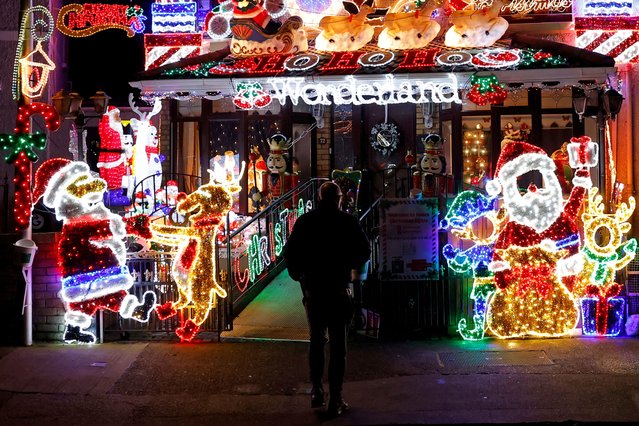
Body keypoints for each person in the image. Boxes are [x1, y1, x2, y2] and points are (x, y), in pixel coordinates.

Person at [284, 181, 370, 417]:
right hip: (338, 288)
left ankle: (316, 389)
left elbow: (289, 253)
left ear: (320, 197)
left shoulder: (305, 222)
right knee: (338, 345)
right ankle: (336, 397)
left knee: (316, 340)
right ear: (339, 198)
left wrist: (300, 275)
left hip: (313, 289)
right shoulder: (348, 222)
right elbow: (364, 250)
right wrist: (348, 264)